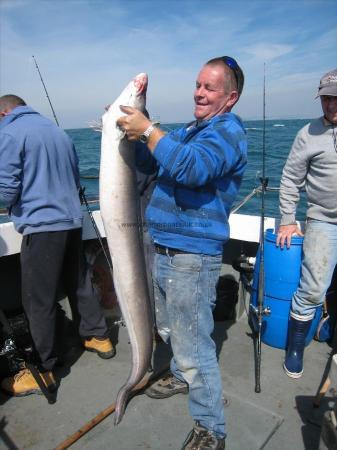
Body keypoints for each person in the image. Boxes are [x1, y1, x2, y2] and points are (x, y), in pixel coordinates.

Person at [117, 56, 247, 450]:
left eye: (209, 88)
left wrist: (151, 129)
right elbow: (155, 162)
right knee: (171, 328)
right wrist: (130, 132)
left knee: (194, 347)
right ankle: (178, 372)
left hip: (191, 258)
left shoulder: (228, 131)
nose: (199, 92)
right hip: (163, 251)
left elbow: (192, 168)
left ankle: (211, 430)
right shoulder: (192, 131)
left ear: (230, 97)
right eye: (197, 85)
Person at [0, 95, 114, 397]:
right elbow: (73, 176)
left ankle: (44, 369)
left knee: (39, 299)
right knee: (78, 282)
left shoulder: (8, 132)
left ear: (3, 112)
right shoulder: (58, 132)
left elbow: (6, 188)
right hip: (71, 221)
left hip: (42, 226)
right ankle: (98, 337)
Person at [276, 69, 337, 379]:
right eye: (327, 98)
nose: (331, 104)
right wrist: (287, 220)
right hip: (324, 220)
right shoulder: (307, 134)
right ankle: (295, 346)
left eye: (336, 98)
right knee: (313, 289)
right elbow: (289, 179)